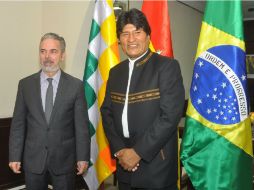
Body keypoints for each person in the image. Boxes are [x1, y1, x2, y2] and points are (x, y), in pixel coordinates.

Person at [101, 8, 185, 190]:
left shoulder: (167, 67)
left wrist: (138, 152)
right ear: (119, 39)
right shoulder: (115, 73)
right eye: (125, 34)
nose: (131, 39)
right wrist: (120, 150)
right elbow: (106, 112)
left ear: (148, 36)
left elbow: (170, 116)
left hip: (157, 168)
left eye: (137, 32)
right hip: (123, 165)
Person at [9, 32, 90, 190]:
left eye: (53, 51)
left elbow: (82, 128)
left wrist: (83, 157)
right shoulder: (25, 85)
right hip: (33, 159)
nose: (47, 56)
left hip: (64, 160)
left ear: (62, 55)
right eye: (43, 51)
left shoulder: (75, 87)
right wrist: (14, 155)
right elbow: (18, 124)